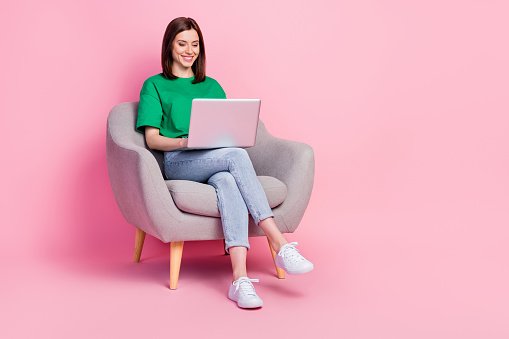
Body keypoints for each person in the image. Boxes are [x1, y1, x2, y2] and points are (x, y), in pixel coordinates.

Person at [136, 17, 313, 309]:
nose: (188, 50)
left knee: (230, 178)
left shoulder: (211, 85)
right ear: (169, 47)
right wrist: (185, 141)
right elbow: (153, 140)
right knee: (235, 156)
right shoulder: (154, 85)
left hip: (217, 159)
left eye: (195, 44)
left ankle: (239, 281)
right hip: (180, 161)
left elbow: (226, 132)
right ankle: (279, 243)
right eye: (182, 44)